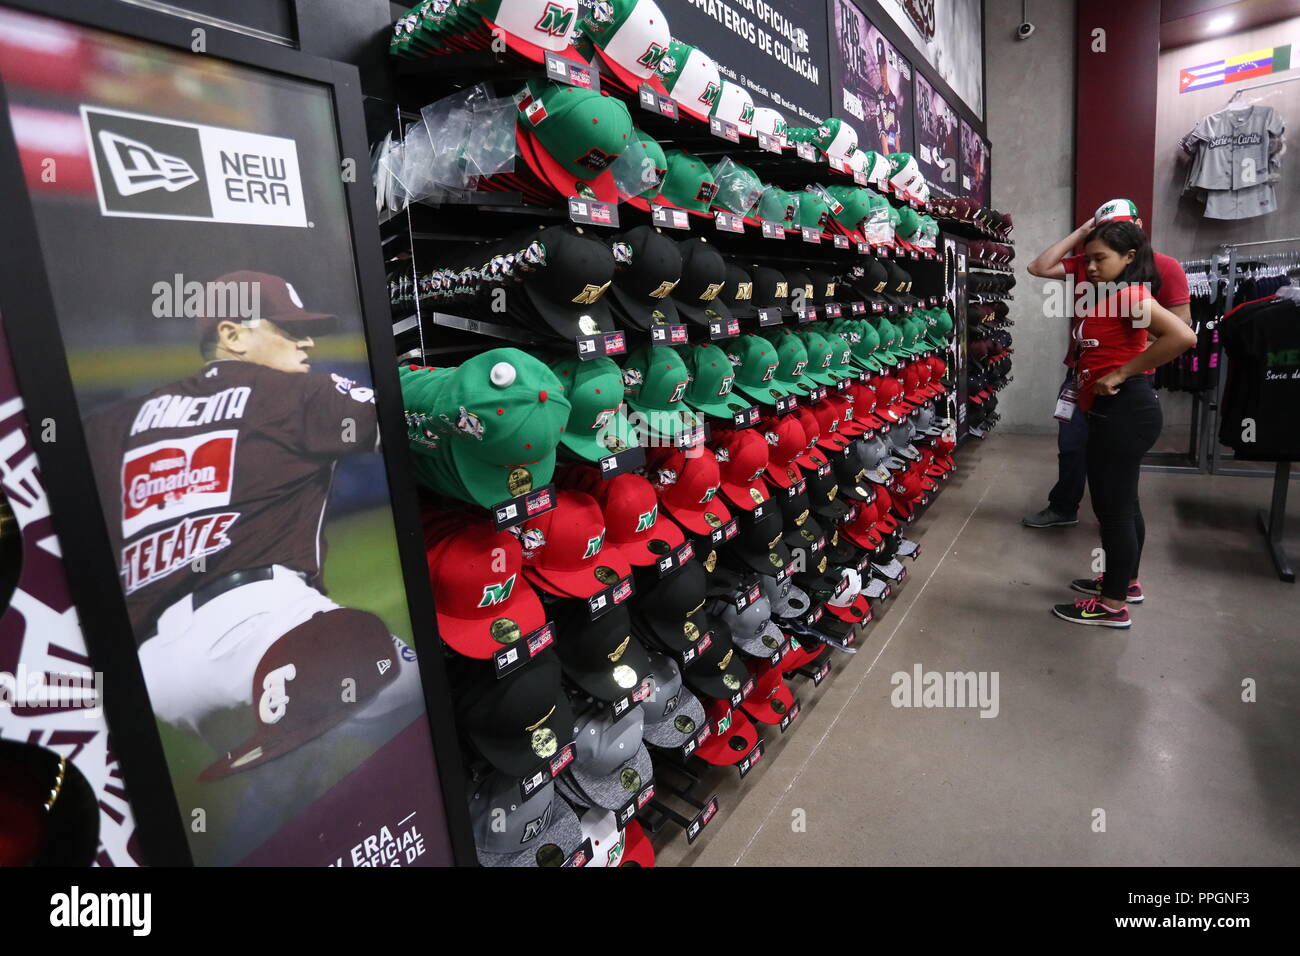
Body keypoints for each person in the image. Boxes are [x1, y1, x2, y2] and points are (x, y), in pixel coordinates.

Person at [85, 271, 423, 861]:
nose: (307, 344)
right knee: (426, 696)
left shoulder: (115, 426)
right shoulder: (289, 394)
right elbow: (408, 413)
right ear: (231, 334)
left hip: (156, 673)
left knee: (291, 777)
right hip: (256, 623)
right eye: (289, 328)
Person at [1038, 223, 1197, 627]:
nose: (1090, 266)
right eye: (1087, 258)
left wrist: (1122, 373)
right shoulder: (1113, 294)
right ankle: (1124, 583)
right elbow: (1040, 266)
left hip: (1125, 412)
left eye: (1100, 258)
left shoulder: (1130, 295)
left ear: (1129, 258)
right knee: (1124, 505)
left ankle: (1111, 606)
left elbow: (1182, 336)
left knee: (1114, 512)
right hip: (1117, 412)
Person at [1024, 200, 1192, 529]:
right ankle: (1066, 506)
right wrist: (1083, 231)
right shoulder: (1093, 263)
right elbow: (1039, 267)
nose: (1095, 265)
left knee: (1115, 461)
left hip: (1123, 380)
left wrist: (1128, 362)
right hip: (1082, 370)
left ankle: (1118, 528)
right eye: (1101, 233)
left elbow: (1181, 324)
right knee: (1072, 444)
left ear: (1138, 227)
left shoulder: (1164, 267)